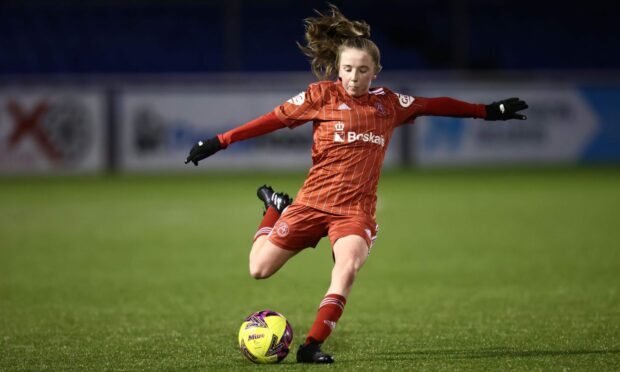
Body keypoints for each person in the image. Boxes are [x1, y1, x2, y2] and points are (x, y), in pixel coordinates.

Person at [185, 4, 528, 364]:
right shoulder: (320, 96)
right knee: (259, 269)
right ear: (338, 68)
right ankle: (274, 208)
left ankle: (311, 346)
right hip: (311, 203)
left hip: (354, 212)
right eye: (347, 69)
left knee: (346, 268)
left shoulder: (390, 104)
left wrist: (487, 111)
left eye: (363, 70)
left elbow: (434, 104)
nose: (353, 77)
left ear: (376, 71)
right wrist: (220, 140)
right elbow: (270, 121)